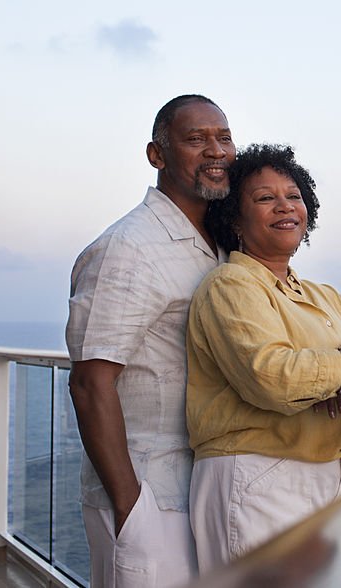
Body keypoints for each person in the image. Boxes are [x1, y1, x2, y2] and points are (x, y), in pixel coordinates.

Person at [185, 143, 341, 573]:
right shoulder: (230, 286)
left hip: (329, 474)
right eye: (265, 198)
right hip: (257, 476)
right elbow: (277, 379)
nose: (285, 207)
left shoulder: (319, 296)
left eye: (293, 196)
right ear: (235, 217)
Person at [66, 94, 234, 587]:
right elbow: (90, 383)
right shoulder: (128, 247)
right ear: (156, 155)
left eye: (224, 137)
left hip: (201, 488)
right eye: (195, 139)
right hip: (146, 495)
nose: (215, 150)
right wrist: (128, 505)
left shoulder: (222, 247)